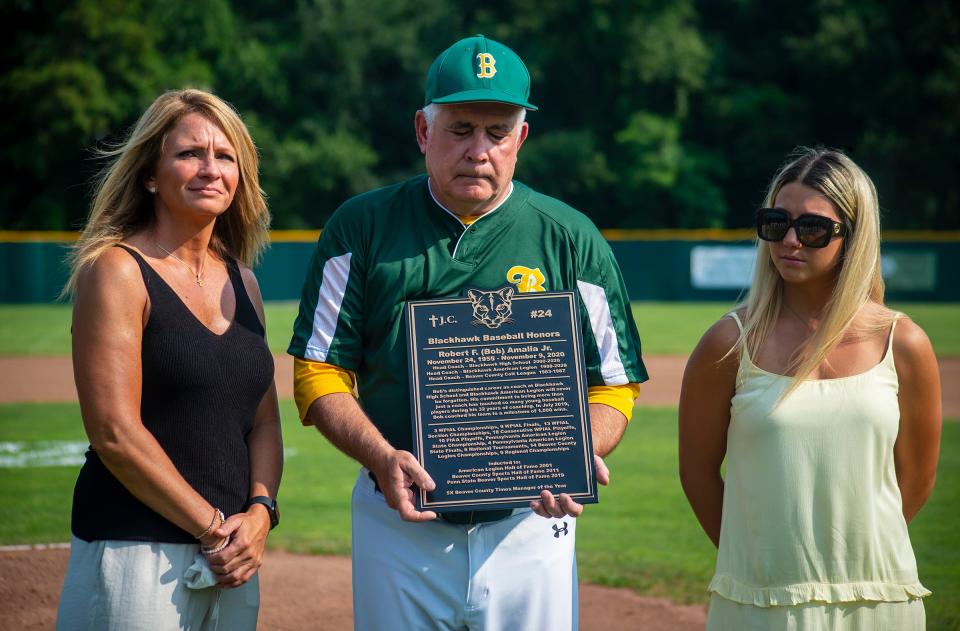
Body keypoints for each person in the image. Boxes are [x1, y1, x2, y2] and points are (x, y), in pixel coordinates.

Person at [289, 35, 647, 630]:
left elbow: (612, 383)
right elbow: (318, 370)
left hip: (531, 526)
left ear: (521, 138)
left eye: (497, 131)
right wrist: (381, 457)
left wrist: (577, 454)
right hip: (397, 522)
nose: (478, 149)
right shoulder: (362, 226)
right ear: (424, 132)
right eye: (460, 128)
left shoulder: (570, 236)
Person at [679, 147, 941, 629]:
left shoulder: (902, 343)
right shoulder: (728, 343)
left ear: (854, 236)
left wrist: (853, 560)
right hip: (758, 602)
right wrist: (759, 562)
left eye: (813, 227)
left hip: (879, 599)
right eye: (776, 223)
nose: (791, 240)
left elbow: (918, 479)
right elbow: (696, 472)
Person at [56, 89, 283, 631]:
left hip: (232, 559)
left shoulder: (244, 281)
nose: (210, 169)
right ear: (151, 175)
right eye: (189, 154)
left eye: (225, 157)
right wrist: (211, 526)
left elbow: (265, 421)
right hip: (138, 551)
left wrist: (259, 515)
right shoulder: (117, 269)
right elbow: (114, 432)